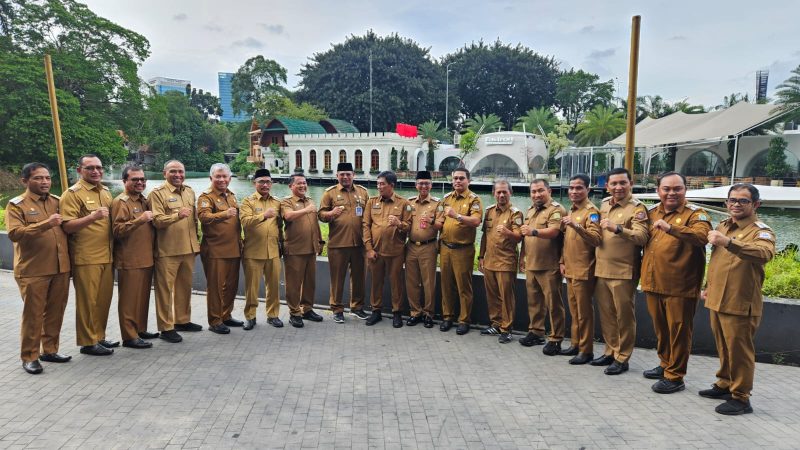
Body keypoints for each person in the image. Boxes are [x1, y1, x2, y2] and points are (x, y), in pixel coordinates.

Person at [701, 183, 775, 415]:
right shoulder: (724, 225)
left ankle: (741, 398)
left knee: (740, 351)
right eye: (732, 200)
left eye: (743, 201)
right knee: (724, 346)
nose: (736, 204)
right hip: (718, 298)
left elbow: (764, 253)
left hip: (740, 302)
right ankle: (725, 383)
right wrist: (708, 286)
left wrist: (729, 242)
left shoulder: (761, 231)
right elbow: (718, 262)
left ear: (756, 204)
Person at [641, 172, 711, 393]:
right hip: (654, 283)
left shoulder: (696, 214)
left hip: (680, 286)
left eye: (677, 188)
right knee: (661, 329)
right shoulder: (652, 212)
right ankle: (665, 364)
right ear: (658, 191)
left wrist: (671, 228)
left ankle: (675, 376)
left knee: (679, 332)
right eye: (666, 189)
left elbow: (702, 237)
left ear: (685, 190)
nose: (672, 193)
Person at [6, 163, 71, 374]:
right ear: (25, 181)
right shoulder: (17, 205)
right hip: (33, 269)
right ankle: (29, 356)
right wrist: (46, 224)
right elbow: (14, 234)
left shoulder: (57, 202)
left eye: (47, 178)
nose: (44, 182)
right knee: (33, 316)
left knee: (55, 312)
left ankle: (50, 350)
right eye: (38, 178)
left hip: (60, 267)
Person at [593, 167, 649, 375]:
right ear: (607, 186)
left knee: (624, 317)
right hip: (602, 269)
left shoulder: (637, 208)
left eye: (622, 183)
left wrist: (618, 228)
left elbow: (642, 237)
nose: (618, 187)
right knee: (607, 315)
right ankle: (610, 351)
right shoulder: (604, 204)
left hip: (624, 271)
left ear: (630, 184)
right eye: (614, 183)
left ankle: (623, 357)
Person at [60, 154, 116, 356]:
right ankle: (87, 342)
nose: (96, 171)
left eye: (99, 167)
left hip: (107, 255)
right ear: (79, 170)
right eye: (90, 168)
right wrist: (92, 217)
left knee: (103, 300)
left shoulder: (106, 192)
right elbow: (67, 226)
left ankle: (99, 336)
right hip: (86, 257)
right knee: (87, 302)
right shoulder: (72, 194)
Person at [148, 160, 202, 343]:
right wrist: (177, 215)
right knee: (165, 291)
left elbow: (194, 221)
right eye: (173, 171)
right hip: (167, 250)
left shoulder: (189, 191)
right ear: (164, 173)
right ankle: (166, 327)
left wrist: (196, 243)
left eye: (180, 171)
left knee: (184, 287)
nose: (177, 175)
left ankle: (182, 320)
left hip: (188, 248)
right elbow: (157, 221)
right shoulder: (157, 194)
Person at [111, 165, 158, 349]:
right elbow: (117, 230)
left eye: (142, 179)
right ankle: (129, 336)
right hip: (130, 259)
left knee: (142, 298)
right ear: (125, 181)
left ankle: (140, 329)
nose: (140, 182)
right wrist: (140, 220)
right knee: (129, 300)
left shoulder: (143, 200)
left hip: (146, 257)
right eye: (135, 179)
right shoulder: (121, 202)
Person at [519, 179, 567, 355]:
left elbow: (554, 232)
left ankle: (556, 338)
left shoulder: (556, 210)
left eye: (540, 191)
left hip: (549, 265)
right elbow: (525, 236)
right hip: (532, 263)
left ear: (549, 191)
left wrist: (534, 231)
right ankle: (536, 332)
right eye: (533, 191)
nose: (536, 194)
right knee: (534, 302)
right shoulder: (531, 210)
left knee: (554, 304)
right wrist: (522, 256)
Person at [318, 162, 370, 323]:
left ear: (353, 175)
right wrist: (331, 213)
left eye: (348, 174)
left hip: (359, 244)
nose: (345, 177)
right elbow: (320, 215)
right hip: (338, 244)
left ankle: (357, 307)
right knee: (337, 279)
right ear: (337, 176)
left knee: (359, 278)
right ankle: (337, 309)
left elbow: (369, 216)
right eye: (342, 174)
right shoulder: (330, 193)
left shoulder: (363, 192)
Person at [559, 174, 602, 364]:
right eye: (571, 188)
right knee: (574, 311)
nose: (574, 191)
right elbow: (567, 241)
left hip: (584, 269)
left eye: (579, 188)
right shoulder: (573, 210)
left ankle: (586, 350)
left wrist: (577, 226)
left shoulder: (592, 212)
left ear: (587, 190)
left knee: (584, 313)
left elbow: (596, 239)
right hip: (570, 268)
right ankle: (576, 344)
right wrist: (562, 261)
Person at [197, 163, 243, 334]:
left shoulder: (231, 196)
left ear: (230, 178)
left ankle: (226, 315)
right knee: (216, 287)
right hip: (215, 249)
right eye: (218, 176)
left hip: (234, 247)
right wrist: (224, 214)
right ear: (211, 178)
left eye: (225, 176)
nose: (222, 179)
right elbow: (203, 217)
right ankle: (215, 320)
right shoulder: (206, 197)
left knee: (231, 286)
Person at [362, 171, 412, 327]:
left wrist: (399, 223)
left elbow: (409, 227)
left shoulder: (404, 203)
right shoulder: (371, 202)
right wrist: (369, 249)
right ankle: (376, 311)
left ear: (392, 185)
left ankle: (397, 313)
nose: (379, 187)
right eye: (378, 184)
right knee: (376, 282)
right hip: (376, 251)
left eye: (382, 184)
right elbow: (365, 226)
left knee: (396, 283)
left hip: (395, 251)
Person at [436, 168, 483, 335]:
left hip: (463, 250)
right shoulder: (447, 198)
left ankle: (464, 320)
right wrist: (430, 222)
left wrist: (457, 216)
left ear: (468, 180)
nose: (457, 181)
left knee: (464, 287)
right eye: (455, 178)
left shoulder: (473, 199)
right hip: (445, 248)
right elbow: (440, 220)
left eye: (461, 178)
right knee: (446, 285)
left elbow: (476, 221)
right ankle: (447, 317)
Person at [478, 180, 523, 344]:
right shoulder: (489, 211)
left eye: (505, 192)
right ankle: (496, 324)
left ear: (510, 193)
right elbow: (484, 235)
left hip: (506, 261)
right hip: (490, 260)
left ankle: (506, 328)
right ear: (494, 194)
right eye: (498, 192)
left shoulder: (515, 213)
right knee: (492, 295)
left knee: (506, 297)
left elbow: (519, 237)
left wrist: (507, 232)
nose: (502, 195)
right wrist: (481, 256)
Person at [239, 168, 284, 330]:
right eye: (261, 182)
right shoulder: (248, 202)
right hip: (253, 251)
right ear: (254, 183)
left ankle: (273, 315)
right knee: (251, 288)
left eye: (268, 182)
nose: (265, 185)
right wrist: (263, 216)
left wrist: (282, 244)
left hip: (273, 251)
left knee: (274, 286)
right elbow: (245, 222)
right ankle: (250, 316)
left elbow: (280, 226)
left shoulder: (277, 202)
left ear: (271, 183)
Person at [280, 174, 324, 328]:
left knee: (310, 282)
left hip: (310, 249)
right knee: (293, 284)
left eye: (304, 183)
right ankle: (294, 313)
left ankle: (307, 309)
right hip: (295, 250)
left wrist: (320, 241)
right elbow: (288, 216)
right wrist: (306, 210)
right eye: (299, 183)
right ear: (291, 186)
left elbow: (314, 224)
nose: (302, 186)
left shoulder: (310, 200)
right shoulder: (287, 201)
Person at [405, 171, 443, 328]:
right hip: (411, 246)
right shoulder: (409, 203)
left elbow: (440, 225)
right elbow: (405, 222)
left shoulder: (437, 203)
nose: (423, 186)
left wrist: (431, 221)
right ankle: (415, 312)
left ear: (431, 185)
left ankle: (428, 313)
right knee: (412, 282)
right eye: (420, 183)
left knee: (428, 283)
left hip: (429, 246)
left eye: (426, 183)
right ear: (416, 185)